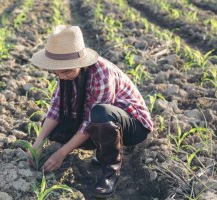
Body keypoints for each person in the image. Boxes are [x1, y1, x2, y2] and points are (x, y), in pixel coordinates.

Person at [29, 25, 153, 198]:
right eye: (58, 72)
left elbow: (91, 120)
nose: (62, 76)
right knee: (50, 127)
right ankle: (101, 149)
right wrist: (38, 143)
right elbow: (56, 109)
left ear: (80, 62)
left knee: (100, 113)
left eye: (67, 71)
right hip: (98, 122)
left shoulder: (102, 73)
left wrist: (61, 153)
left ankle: (111, 172)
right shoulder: (65, 74)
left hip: (132, 125)